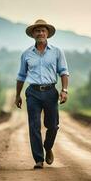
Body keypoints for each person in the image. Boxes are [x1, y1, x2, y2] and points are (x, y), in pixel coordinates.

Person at [15, 19, 69, 169]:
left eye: (43, 30)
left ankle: (48, 146)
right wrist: (17, 95)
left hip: (51, 92)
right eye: (37, 31)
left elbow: (64, 72)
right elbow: (21, 76)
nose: (40, 33)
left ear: (47, 34)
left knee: (53, 125)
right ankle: (39, 159)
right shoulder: (26, 54)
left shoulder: (57, 52)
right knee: (34, 126)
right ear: (33, 34)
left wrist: (64, 90)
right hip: (33, 93)